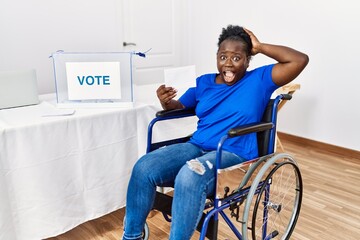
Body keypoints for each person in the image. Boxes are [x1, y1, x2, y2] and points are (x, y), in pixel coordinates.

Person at [122, 25, 308, 240]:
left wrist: (259, 46)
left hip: (234, 153)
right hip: (197, 146)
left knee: (189, 176)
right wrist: (166, 102)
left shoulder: (260, 79)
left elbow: (299, 60)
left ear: (248, 60)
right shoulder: (203, 82)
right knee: (143, 167)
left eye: (237, 58)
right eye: (223, 57)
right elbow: (179, 106)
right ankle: (132, 236)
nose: (228, 64)